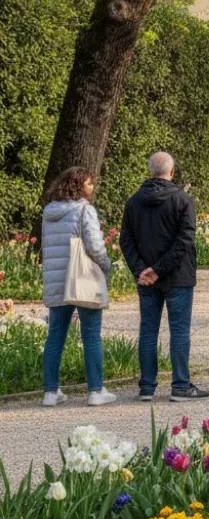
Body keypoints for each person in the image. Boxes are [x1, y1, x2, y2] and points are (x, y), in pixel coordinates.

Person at [120, 152, 209, 401]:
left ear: (151, 171)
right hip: (177, 275)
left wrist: (142, 269)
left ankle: (147, 386)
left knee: (148, 329)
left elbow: (125, 240)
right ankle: (180, 384)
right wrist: (159, 268)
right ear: (172, 172)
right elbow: (185, 241)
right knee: (179, 330)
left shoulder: (134, 201)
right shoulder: (182, 199)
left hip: (146, 278)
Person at [40, 167, 115, 407]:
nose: (92, 188)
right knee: (91, 336)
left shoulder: (48, 212)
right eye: (89, 184)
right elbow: (94, 245)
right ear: (78, 186)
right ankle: (96, 390)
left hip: (56, 280)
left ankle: (50, 392)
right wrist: (106, 265)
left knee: (55, 337)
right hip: (82, 279)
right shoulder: (84, 210)